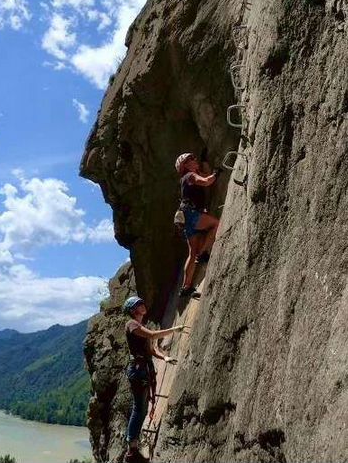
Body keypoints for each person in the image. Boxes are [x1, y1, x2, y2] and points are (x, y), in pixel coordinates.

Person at [123, 296, 185, 463]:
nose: (143, 305)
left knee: (142, 409)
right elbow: (152, 335)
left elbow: (151, 349)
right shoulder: (132, 325)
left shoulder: (141, 326)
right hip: (137, 371)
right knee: (138, 409)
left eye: (142, 303)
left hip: (142, 370)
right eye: (139, 304)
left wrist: (164, 358)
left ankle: (133, 448)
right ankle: (131, 450)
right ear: (133, 310)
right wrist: (174, 329)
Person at [174, 152, 220, 297]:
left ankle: (186, 286)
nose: (195, 160)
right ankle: (203, 252)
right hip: (192, 214)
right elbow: (206, 181)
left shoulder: (185, 178)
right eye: (191, 159)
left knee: (192, 252)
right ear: (185, 165)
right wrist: (216, 173)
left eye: (194, 158)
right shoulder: (190, 176)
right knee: (216, 224)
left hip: (185, 218)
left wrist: (204, 164)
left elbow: (202, 175)